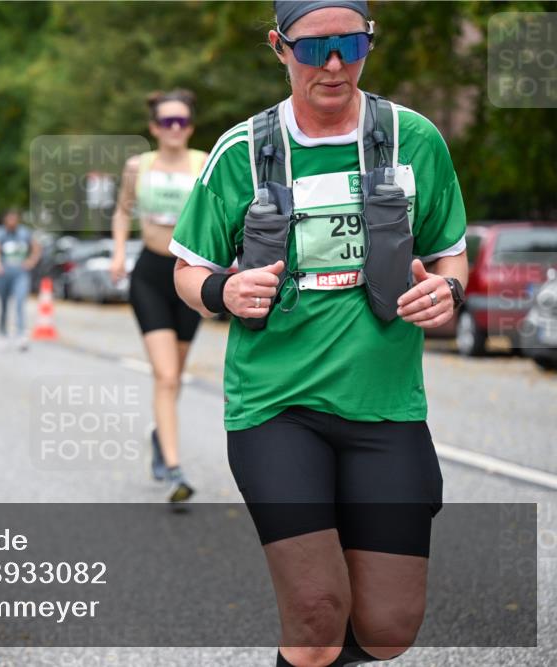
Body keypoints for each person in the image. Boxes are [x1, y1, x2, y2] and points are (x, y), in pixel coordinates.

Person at [171, 2, 468, 665]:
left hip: (384, 403)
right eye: (313, 50)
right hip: (276, 406)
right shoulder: (242, 151)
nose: (334, 64)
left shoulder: (413, 138)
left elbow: (451, 251)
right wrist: (223, 289)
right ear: (280, 49)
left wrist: (448, 290)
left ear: (369, 42)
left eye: (349, 45)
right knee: (315, 615)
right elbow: (188, 269)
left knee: (388, 626)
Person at [110, 89, 208, 503]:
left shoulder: (204, 163)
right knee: (166, 376)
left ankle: (159, 435)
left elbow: (220, 214)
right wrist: (118, 252)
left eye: (181, 121)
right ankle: (174, 469)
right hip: (150, 273)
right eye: (166, 122)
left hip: (191, 277)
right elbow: (122, 209)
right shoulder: (139, 166)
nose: (174, 128)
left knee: (176, 376)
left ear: (190, 126)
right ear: (153, 128)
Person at [0, 209, 40, 351]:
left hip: (20, 273)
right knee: (4, 305)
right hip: (4, 273)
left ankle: (21, 335)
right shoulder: (0, 234)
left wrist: (31, 261)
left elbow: (36, 248)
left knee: (20, 302)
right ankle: (2, 333)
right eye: (9, 219)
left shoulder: (24, 233)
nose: (12, 222)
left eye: (14, 219)